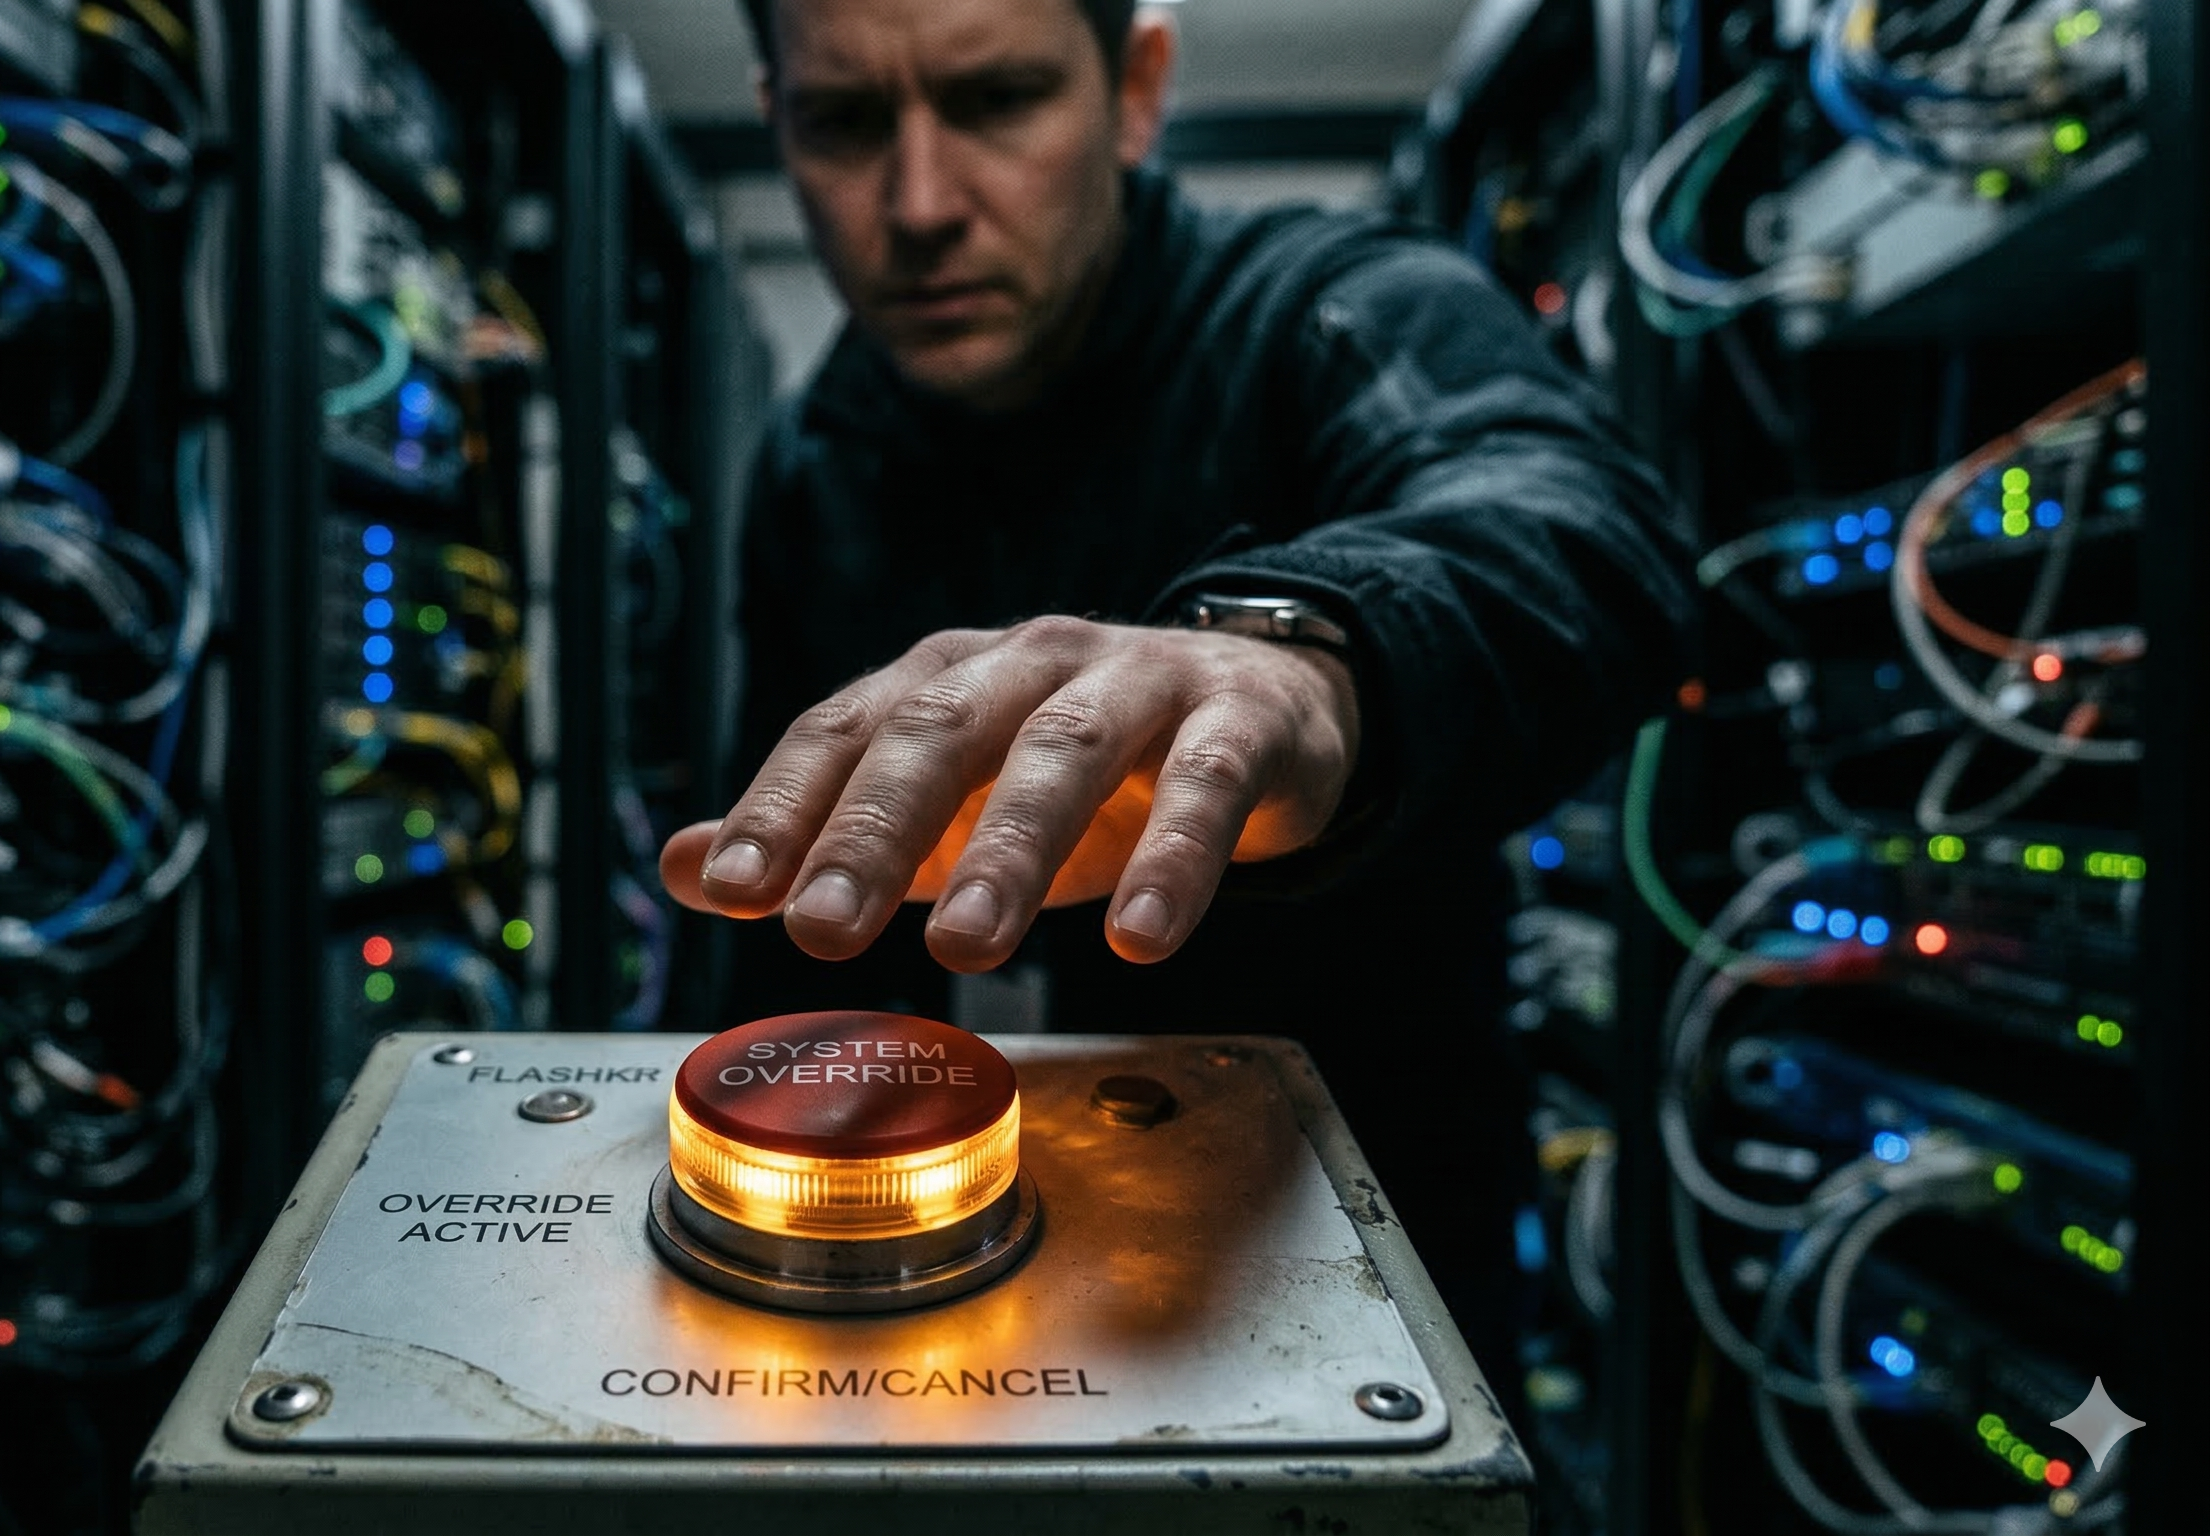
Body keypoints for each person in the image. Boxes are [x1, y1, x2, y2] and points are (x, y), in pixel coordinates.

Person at [657, 0, 1697, 1397]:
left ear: (1136, 89)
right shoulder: (817, 456)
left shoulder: (1325, 304)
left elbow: (1572, 523)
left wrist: (1306, 662)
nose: (918, 203)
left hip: (1337, 1292)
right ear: (774, 115)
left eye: (997, 100)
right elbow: (773, 947)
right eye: (844, 123)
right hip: (920, 1301)